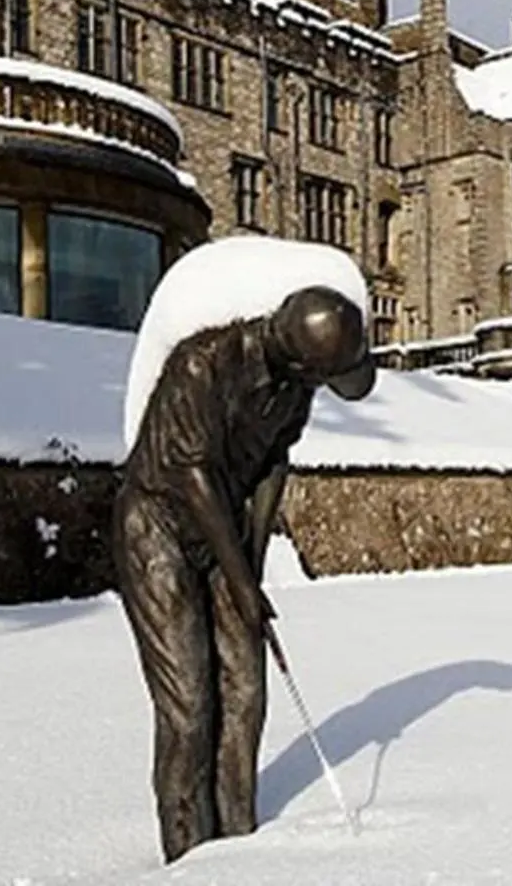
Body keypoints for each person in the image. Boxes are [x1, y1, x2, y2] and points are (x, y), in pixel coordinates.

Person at [112, 282, 379, 863]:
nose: (319, 389)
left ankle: (239, 847)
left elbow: (270, 467)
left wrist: (249, 571)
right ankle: (189, 856)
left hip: (224, 533)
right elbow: (193, 476)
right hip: (157, 528)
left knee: (246, 690)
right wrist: (238, 579)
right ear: (297, 356)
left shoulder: (297, 386)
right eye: (320, 376)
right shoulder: (201, 363)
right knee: (189, 706)